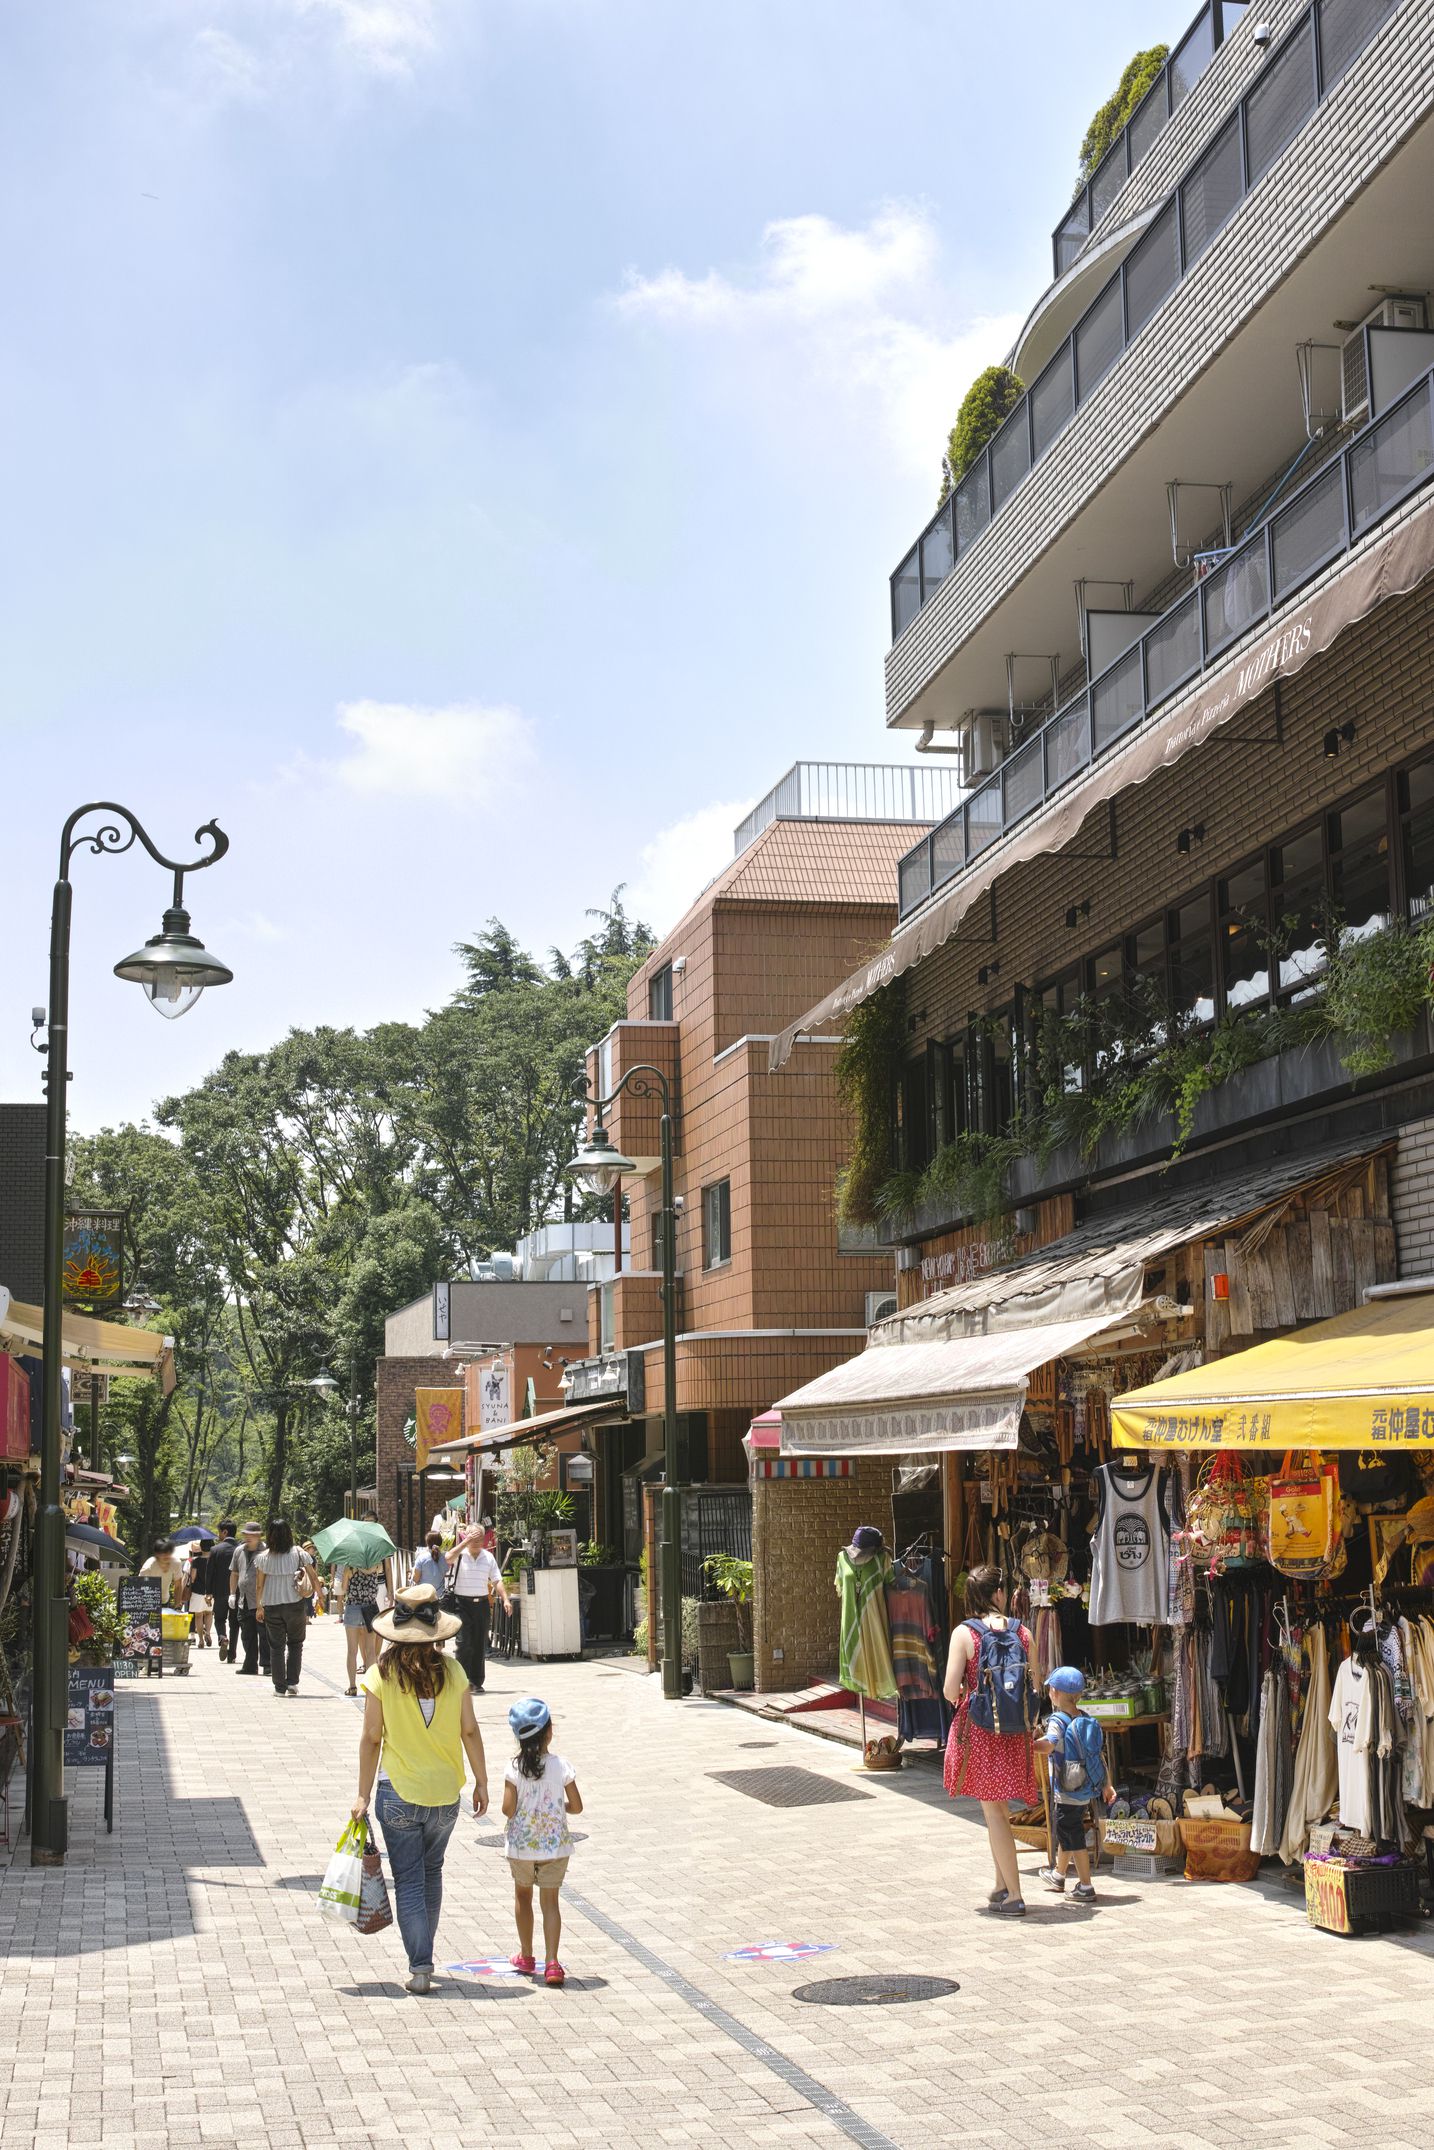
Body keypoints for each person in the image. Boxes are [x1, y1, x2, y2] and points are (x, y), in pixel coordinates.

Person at [351, 1584, 489, 1995]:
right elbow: (469, 1729)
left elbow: (372, 1737)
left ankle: (420, 1966)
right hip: (446, 1793)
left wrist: (360, 1793)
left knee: (409, 1879)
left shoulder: (380, 1674)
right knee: (432, 1873)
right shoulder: (454, 1671)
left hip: (398, 1791)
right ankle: (424, 1956)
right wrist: (481, 1780)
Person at [942, 1563, 1039, 1918]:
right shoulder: (1023, 1632)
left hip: (981, 1730)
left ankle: (1014, 1894)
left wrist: (964, 1692)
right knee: (998, 1810)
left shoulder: (964, 1634)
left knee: (993, 1813)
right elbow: (1036, 1684)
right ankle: (1001, 1885)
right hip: (1014, 1731)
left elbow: (951, 1689)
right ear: (999, 1593)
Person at [503, 1696, 582, 1987]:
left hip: (522, 1847)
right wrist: (557, 1807)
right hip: (555, 1846)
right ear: (549, 1731)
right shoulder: (561, 1766)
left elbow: (507, 1809)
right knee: (550, 1902)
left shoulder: (513, 1768)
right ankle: (552, 1962)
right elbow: (577, 1805)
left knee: (523, 1897)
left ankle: (526, 1956)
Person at [1035, 1667, 1114, 1902]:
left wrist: (1026, 1747)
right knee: (1068, 1831)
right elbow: (1098, 1756)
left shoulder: (1057, 1720)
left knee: (1073, 1835)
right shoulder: (1085, 1719)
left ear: (1056, 1693)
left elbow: (1049, 1745)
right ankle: (1059, 1875)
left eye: (1050, 1689)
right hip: (1084, 1789)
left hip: (1066, 1789)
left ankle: (1086, 1886)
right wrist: (1106, 1785)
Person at [446, 1525, 512, 1694]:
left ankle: (476, 1681)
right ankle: (462, 1681)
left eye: (478, 1539)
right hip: (462, 1604)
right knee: (463, 1642)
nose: (475, 1542)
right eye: (472, 1539)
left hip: (481, 1604)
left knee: (478, 1643)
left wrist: (505, 1599)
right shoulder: (460, 1555)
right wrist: (465, 1541)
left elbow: (497, 1580)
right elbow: (447, 1558)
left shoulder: (488, 1557)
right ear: (466, 1538)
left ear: (484, 1539)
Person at [255, 1518, 316, 1697]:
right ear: (289, 1534)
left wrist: (259, 1607)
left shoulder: (263, 1558)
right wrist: (319, 1596)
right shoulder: (298, 1553)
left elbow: (259, 1586)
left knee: (276, 1647)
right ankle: (292, 1683)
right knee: (296, 1644)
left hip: (272, 1606)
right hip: (295, 1605)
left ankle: (279, 1687)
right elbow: (312, 1575)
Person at [334, 1554, 394, 1696]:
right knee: (371, 1651)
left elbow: (343, 1589)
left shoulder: (350, 1569)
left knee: (352, 1651)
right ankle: (370, 1687)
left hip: (353, 1607)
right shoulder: (377, 1567)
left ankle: (352, 1686)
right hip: (371, 1608)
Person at [230, 1523, 271, 1676]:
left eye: (251, 1534)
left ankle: (267, 1665)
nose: (248, 1537)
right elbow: (234, 1573)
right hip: (244, 1598)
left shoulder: (266, 1551)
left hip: (262, 1599)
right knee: (247, 1634)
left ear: (259, 1536)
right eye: (245, 1534)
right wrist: (232, 1594)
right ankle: (250, 1665)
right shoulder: (238, 1551)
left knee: (264, 1634)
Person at [208, 1522, 239, 1660]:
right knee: (234, 1623)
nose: (218, 1534)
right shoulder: (241, 1549)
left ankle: (222, 1637)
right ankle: (232, 1654)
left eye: (219, 1532)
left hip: (219, 1592)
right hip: (237, 1592)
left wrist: (208, 1593)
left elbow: (210, 1573)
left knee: (220, 1619)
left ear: (225, 1532)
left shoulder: (215, 1550)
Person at [186, 1534, 217, 1648]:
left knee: (198, 1616)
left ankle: (200, 1640)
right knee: (209, 1613)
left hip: (198, 1591)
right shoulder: (215, 1560)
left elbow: (193, 1578)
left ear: (201, 1548)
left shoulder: (196, 1561)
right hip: (211, 1592)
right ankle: (208, 1633)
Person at [139, 1538, 185, 1607]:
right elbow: (139, 1584)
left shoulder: (176, 1563)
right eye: (163, 1552)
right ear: (157, 1553)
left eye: (168, 1552)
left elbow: (178, 1585)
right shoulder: (149, 1565)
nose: (166, 1555)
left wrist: (177, 1604)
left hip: (165, 1599)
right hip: (148, 1601)